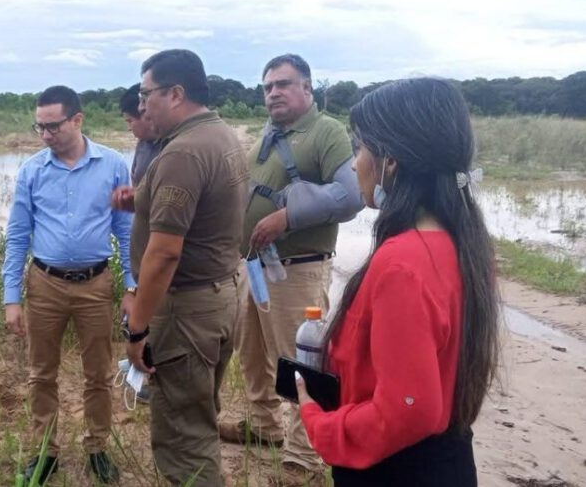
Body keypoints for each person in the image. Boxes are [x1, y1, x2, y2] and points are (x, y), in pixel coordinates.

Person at [296, 77, 499, 487]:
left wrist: (320, 422)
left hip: (396, 468)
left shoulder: (402, 262)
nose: (354, 164)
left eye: (361, 148)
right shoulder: (461, 242)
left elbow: (408, 409)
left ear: (391, 162)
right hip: (448, 458)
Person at [218, 53, 363, 484]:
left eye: (283, 84)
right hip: (252, 267)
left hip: (296, 268)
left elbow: (352, 195)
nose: (274, 93)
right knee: (253, 355)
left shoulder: (326, 132)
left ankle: (306, 451)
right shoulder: (267, 135)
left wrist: (288, 217)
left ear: (307, 88)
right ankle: (264, 426)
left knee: (301, 360)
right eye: (267, 87)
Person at [115, 49, 249, 485]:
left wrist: (137, 327)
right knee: (199, 415)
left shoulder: (183, 153)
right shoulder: (222, 135)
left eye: (146, 93)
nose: (141, 105)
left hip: (188, 309)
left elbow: (165, 252)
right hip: (222, 294)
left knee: (182, 437)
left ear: (175, 94)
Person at [3, 85, 135, 485]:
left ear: (78, 120)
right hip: (45, 284)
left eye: (53, 126)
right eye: (39, 127)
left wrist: (132, 285)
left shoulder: (113, 165)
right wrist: (12, 297)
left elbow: (127, 232)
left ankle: (98, 448)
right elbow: (18, 235)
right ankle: (44, 453)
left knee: (99, 372)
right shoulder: (32, 170)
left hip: (96, 284)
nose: (45, 135)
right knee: (41, 373)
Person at [118, 83, 164, 404]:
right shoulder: (144, 147)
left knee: (157, 319)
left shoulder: (173, 151)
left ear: (147, 116)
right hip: (145, 251)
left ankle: (157, 380)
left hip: (163, 255)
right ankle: (146, 380)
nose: (131, 127)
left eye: (131, 120)